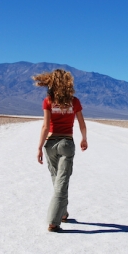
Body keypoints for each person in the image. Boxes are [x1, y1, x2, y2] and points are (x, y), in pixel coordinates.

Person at [33, 69, 88, 233]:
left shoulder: (48, 101)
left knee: (58, 181)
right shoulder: (74, 101)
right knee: (61, 182)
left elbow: (45, 126)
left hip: (50, 144)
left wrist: (39, 147)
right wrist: (84, 138)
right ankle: (53, 221)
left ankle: (62, 213)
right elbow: (82, 124)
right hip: (66, 143)